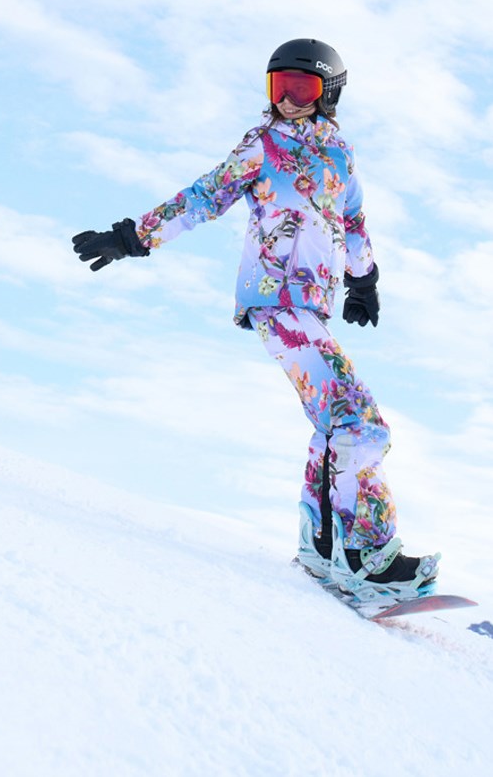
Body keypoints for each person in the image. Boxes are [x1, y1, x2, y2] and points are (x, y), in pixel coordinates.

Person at [72, 38, 439, 601]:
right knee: (361, 422)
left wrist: (364, 281)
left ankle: (323, 551)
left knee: (335, 425)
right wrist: (131, 238)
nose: (288, 100)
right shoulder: (261, 145)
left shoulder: (340, 154)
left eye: (302, 88)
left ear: (329, 94)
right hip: (276, 300)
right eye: (278, 88)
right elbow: (203, 197)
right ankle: (367, 556)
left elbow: (355, 219)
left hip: (310, 306)